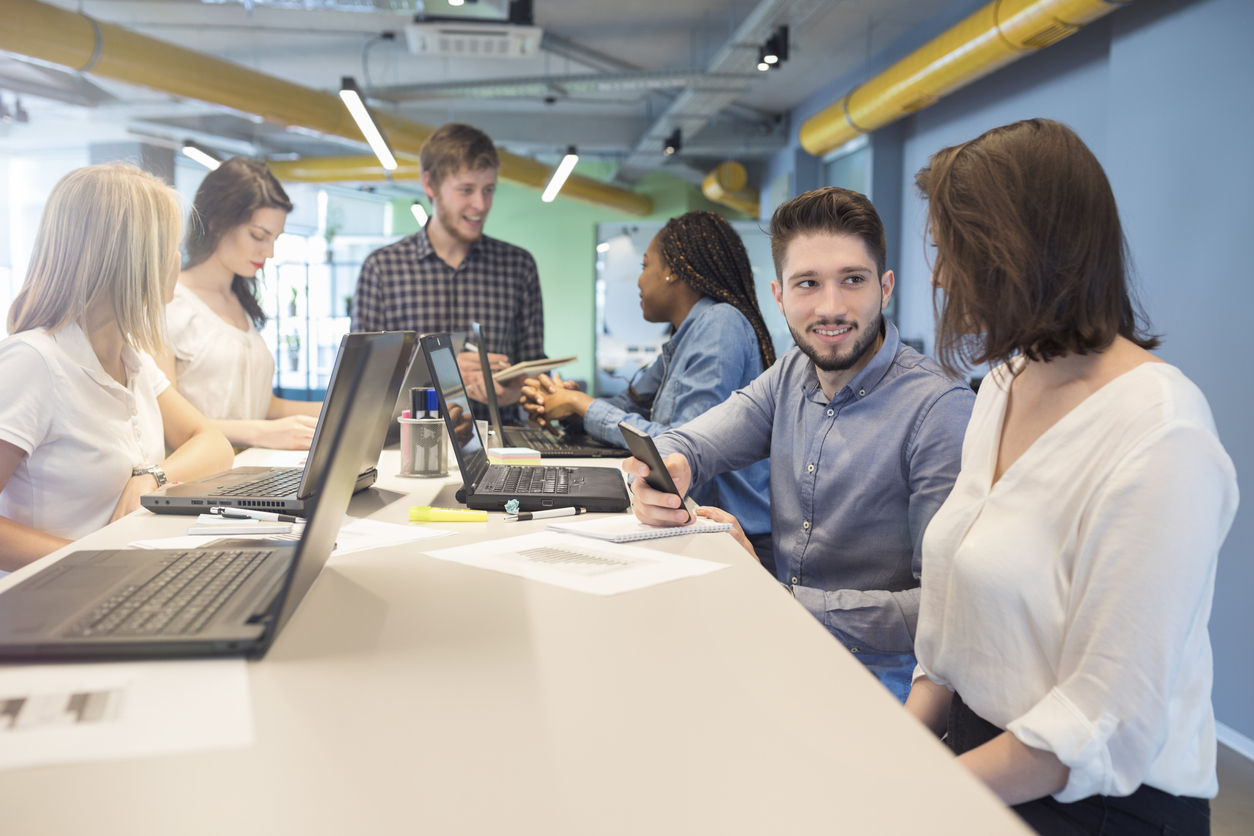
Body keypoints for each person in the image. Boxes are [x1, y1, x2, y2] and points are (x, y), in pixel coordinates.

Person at [905, 119, 1238, 835]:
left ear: (1015, 253)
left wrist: (913, 793)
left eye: (950, 252)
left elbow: (1101, 720)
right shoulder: (1003, 385)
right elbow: (950, 629)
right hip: (979, 764)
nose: (938, 276)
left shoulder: (1162, 432)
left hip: (1098, 807)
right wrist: (899, 750)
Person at [625, 187, 974, 701]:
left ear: (885, 287)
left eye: (852, 280)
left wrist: (776, 598)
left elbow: (944, 613)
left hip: (882, 690)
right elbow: (689, 443)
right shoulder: (791, 373)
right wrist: (665, 472)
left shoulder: (939, 409)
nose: (831, 308)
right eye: (808, 284)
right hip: (779, 654)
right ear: (779, 295)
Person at [0, 165, 235, 572]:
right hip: (58, 600)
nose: (177, 260)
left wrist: (151, 477)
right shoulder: (33, 362)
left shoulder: (131, 360)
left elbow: (213, 444)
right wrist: (93, 560)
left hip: (125, 581)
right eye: (168, 246)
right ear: (128, 259)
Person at [520, 211, 776, 567]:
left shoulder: (720, 324)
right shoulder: (683, 337)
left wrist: (582, 403)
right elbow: (628, 403)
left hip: (734, 538)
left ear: (672, 270)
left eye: (645, 265)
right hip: (694, 525)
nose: (638, 280)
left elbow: (681, 442)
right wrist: (568, 405)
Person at [351, 123, 544, 414]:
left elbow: (533, 368)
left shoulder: (518, 267)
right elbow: (360, 377)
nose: (480, 204)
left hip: (495, 447)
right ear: (430, 185)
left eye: (488, 190)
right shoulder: (382, 269)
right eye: (466, 190)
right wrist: (436, 372)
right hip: (406, 445)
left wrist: (515, 393)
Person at [157, 157, 321, 451]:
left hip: (251, 471)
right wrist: (261, 433)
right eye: (259, 236)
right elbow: (170, 426)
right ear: (217, 223)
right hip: (197, 482)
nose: (268, 252)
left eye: (275, 239)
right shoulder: (168, 304)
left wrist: (334, 409)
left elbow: (259, 403)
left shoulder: (238, 302)